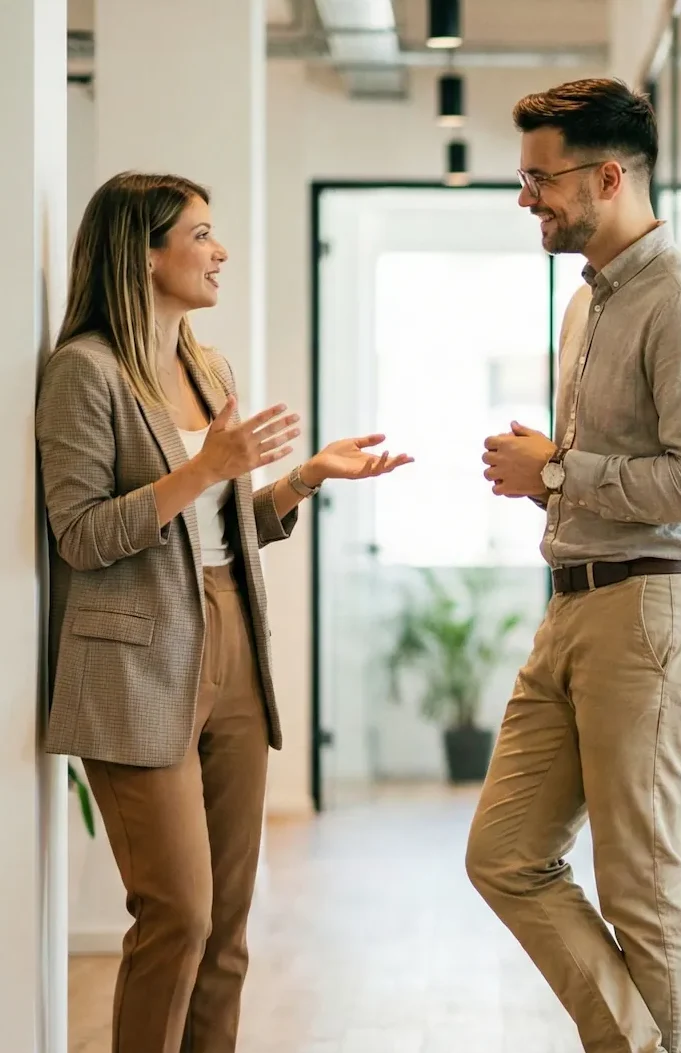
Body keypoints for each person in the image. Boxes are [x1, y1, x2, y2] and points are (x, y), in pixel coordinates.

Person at [36, 171, 412, 1053]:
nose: (221, 252)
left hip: (234, 635)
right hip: (134, 662)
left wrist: (304, 478)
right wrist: (207, 467)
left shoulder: (211, 368)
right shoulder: (83, 373)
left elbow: (223, 530)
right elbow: (81, 535)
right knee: (177, 914)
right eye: (201, 234)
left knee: (229, 931)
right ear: (144, 252)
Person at [465, 80, 681, 1053]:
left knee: (640, 884)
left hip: (656, 611)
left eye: (538, 180)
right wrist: (554, 481)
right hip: (577, 607)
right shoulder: (587, 307)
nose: (525, 200)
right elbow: (617, 475)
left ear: (606, 176)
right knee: (504, 854)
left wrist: (555, 467)